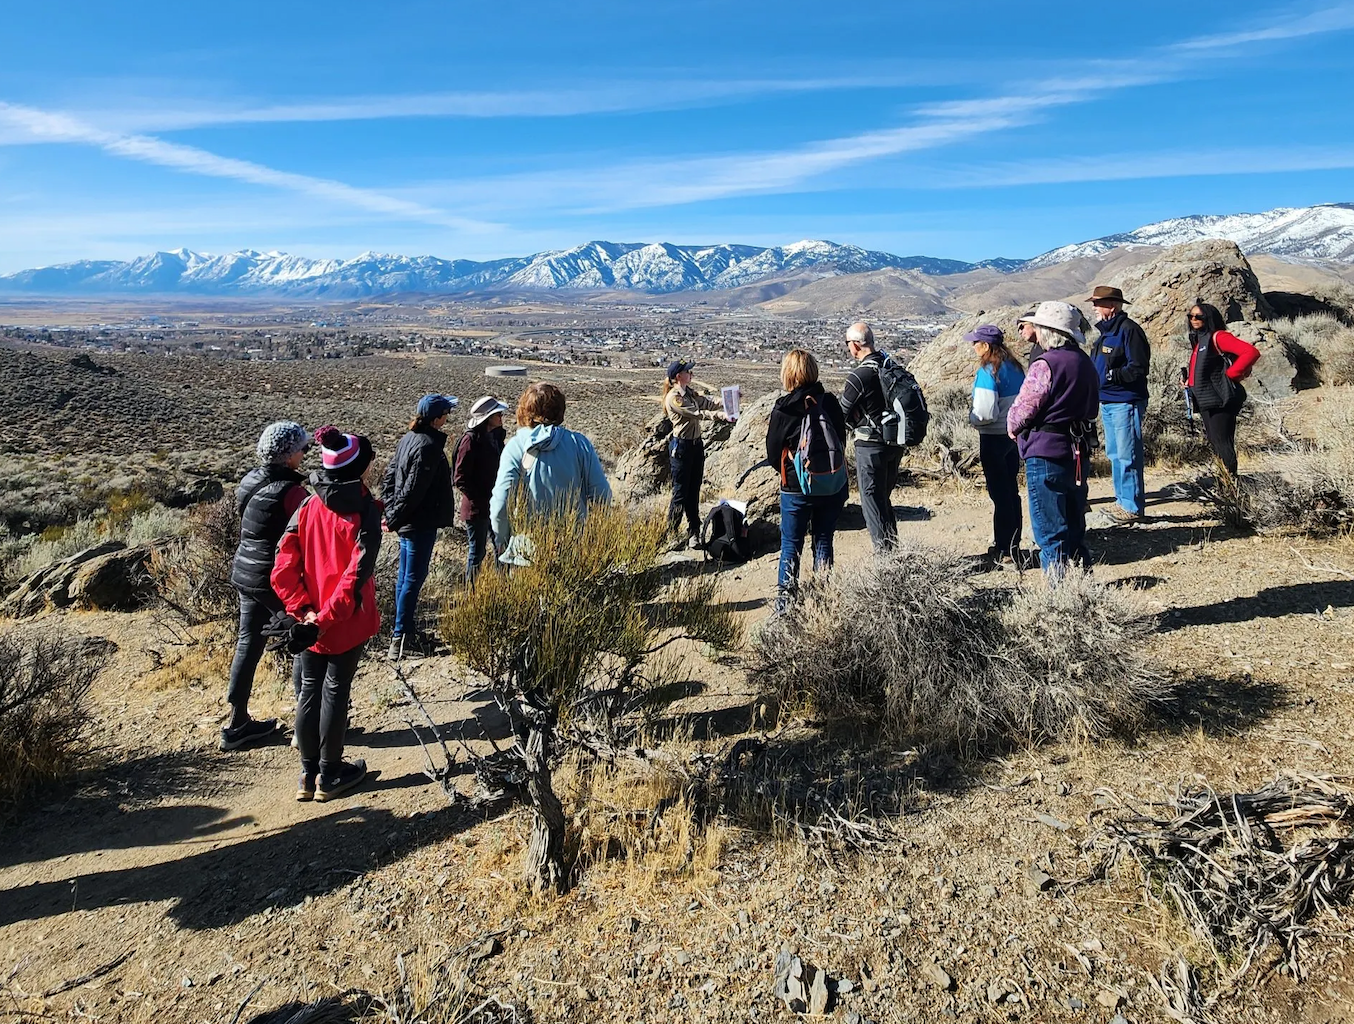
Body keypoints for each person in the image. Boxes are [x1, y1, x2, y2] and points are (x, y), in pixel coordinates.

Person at [272, 425, 382, 802]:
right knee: (336, 691)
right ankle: (331, 774)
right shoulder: (366, 512)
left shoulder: (307, 505)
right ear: (360, 469)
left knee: (308, 691)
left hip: (309, 622)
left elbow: (282, 565)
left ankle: (307, 773)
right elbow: (354, 578)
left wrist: (302, 613)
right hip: (343, 621)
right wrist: (320, 620)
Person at [222, 421, 310, 751]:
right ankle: (307, 722)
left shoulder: (250, 479)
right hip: (274, 577)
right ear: (288, 456)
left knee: (248, 641)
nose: (305, 453)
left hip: (246, 571)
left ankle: (237, 722)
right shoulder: (292, 492)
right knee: (302, 639)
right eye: (302, 448)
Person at [1007, 302, 1101, 579]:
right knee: (1074, 527)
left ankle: (1060, 598)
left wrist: (1013, 428)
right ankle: (1084, 588)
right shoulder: (1084, 361)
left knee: (1050, 533)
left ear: (1049, 331)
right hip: (1078, 450)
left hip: (1045, 450)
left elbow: (1023, 409)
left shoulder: (1045, 364)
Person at [767, 349, 849, 611]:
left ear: (788, 374)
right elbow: (841, 442)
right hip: (831, 485)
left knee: (791, 545)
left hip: (795, 488)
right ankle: (824, 602)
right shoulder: (831, 403)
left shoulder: (784, 409)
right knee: (824, 538)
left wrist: (790, 469)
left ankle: (785, 608)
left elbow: (772, 454)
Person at [489, 382, 611, 559]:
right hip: (574, 548)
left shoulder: (516, 447)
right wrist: (595, 536)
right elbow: (602, 495)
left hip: (526, 551)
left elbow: (501, 502)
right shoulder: (579, 444)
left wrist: (502, 540)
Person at [381, 393, 457, 661]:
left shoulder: (408, 439)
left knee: (406, 577)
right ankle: (401, 638)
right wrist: (394, 517)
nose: (448, 417)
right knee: (412, 578)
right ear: (437, 419)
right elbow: (414, 491)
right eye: (446, 413)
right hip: (419, 522)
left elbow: (389, 477)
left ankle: (406, 632)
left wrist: (391, 512)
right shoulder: (427, 446)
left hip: (410, 521)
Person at [1088, 286, 1151, 522]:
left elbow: (1139, 367)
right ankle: (1121, 501)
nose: (1094, 308)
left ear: (1111, 306)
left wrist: (1114, 376)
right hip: (1108, 401)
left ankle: (1132, 507)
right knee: (1115, 453)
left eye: (1097, 303)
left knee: (1127, 454)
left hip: (1125, 401)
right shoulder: (1106, 333)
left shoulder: (1129, 331)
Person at [966, 325, 1027, 563]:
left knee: (999, 493)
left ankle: (1004, 549)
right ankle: (1014, 544)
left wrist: (972, 419)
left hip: (992, 436)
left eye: (976, 342)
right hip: (1013, 435)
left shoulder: (988, 371)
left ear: (986, 346)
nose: (973, 347)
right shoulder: (1015, 367)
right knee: (1011, 491)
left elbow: (984, 412)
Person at [840, 322, 902, 551]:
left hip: (869, 446)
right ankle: (893, 550)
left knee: (871, 502)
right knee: (884, 499)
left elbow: (841, 414)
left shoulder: (859, 376)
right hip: (895, 442)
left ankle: (884, 558)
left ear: (855, 345)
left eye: (848, 344)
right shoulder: (891, 367)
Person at [1184, 301, 1261, 478]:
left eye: (1199, 316)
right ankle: (1224, 480)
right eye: (1191, 316)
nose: (1194, 320)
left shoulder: (1218, 337)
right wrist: (1190, 381)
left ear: (1209, 318)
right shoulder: (1200, 340)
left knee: (1222, 442)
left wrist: (1232, 374)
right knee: (1215, 441)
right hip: (1206, 398)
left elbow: (1250, 352)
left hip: (1220, 398)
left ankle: (1230, 484)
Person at [663, 359, 732, 547]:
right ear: (678, 376)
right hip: (682, 448)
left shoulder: (689, 393)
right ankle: (671, 532)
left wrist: (728, 400)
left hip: (695, 446)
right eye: (688, 372)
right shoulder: (674, 398)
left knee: (694, 490)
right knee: (680, 492)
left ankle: (693, 531)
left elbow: (706, 402)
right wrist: (721, 416)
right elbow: (697, 413)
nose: (691, 374)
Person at [453, 395, 509, 582]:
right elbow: (460, 477)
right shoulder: (471, 441)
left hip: (495, 504)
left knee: (501, 546)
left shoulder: (496, 439)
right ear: (488, 418)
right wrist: (480, 497)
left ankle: (501, 589)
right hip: (478, 508)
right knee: (477, 552)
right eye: (497, 414)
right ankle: (472, 593)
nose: (501, 416)